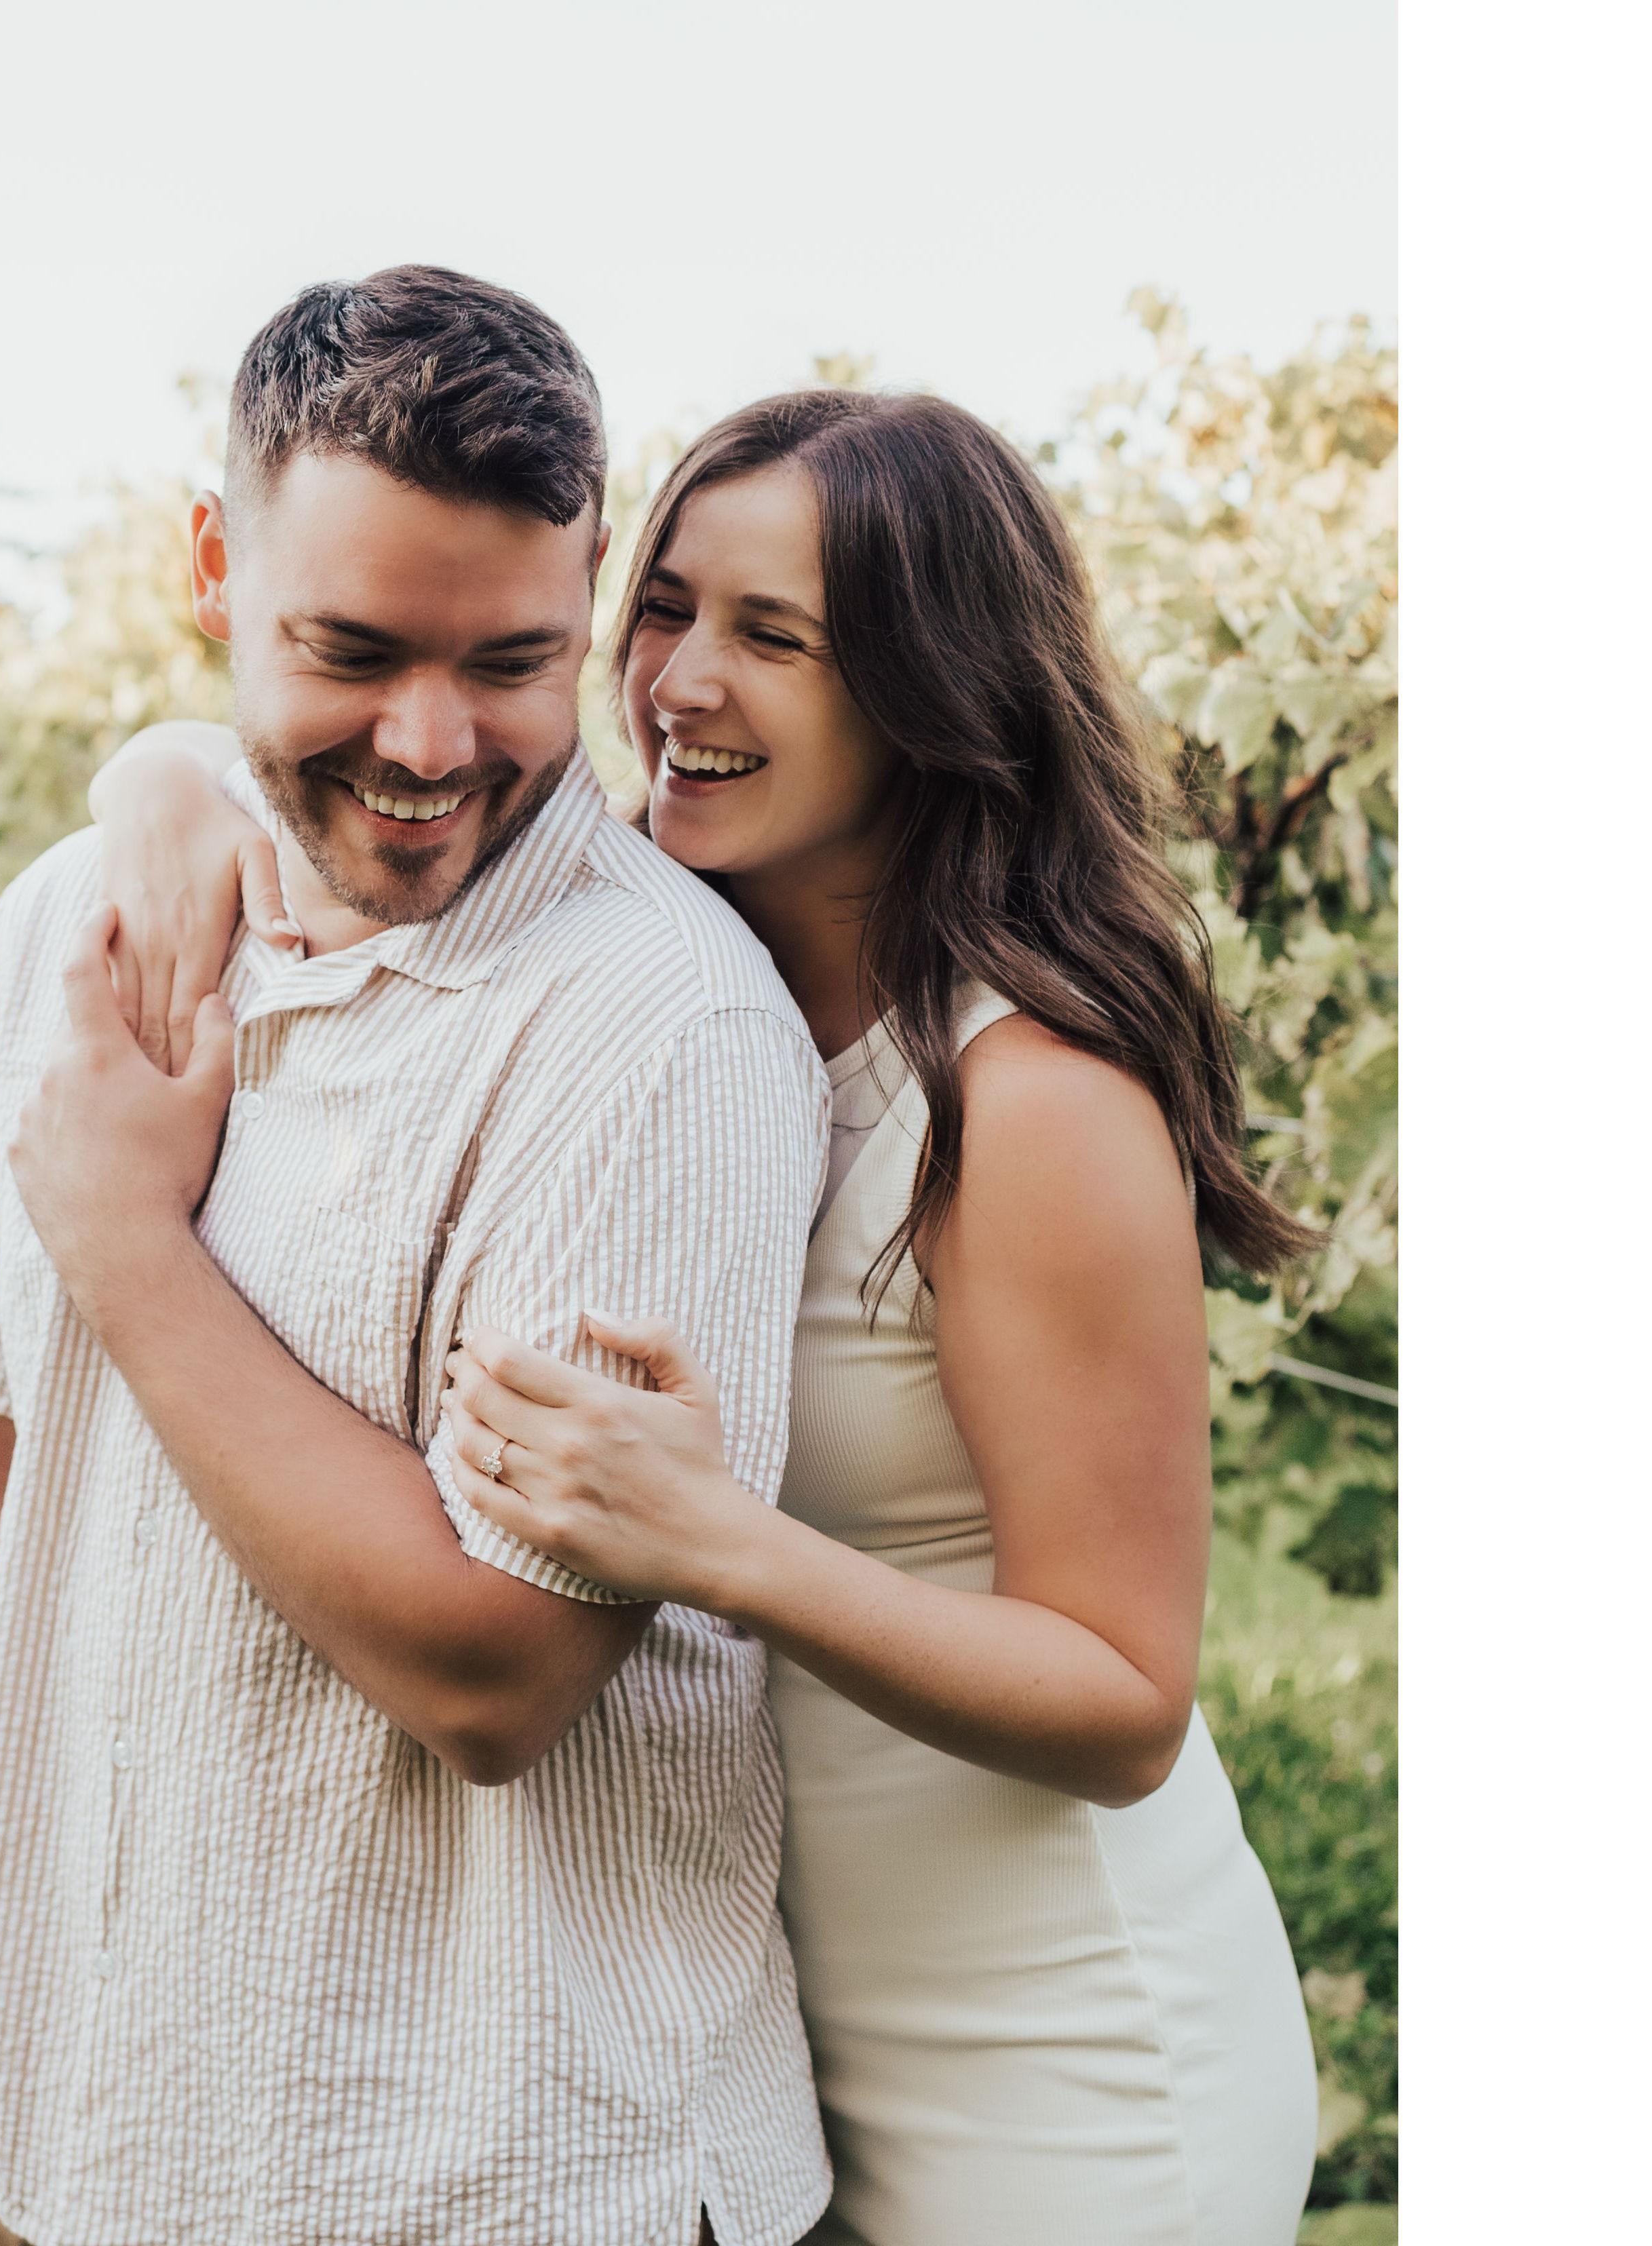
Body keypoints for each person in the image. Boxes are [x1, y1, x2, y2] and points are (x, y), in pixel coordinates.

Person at [93, 390, 1323, 2244]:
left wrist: (721, 1545)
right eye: (662, 608)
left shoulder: (1028, 1099)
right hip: (780, 2029)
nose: (677, 682)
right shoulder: (682, 975)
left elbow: (1127, 1698)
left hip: (1055, 2067)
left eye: (776, 636)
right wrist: (165, 775)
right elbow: (329, 756)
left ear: (927, 688)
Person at [0, 269, 837, 2246]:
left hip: (518, 2177)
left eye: (514, 660)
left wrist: (128, 1243)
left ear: (590, 595)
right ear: (213, 568)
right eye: (355, 649)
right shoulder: (69, 928)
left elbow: (496, 1671)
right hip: (120, 2150)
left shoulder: (660, 1030)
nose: (430, 741)